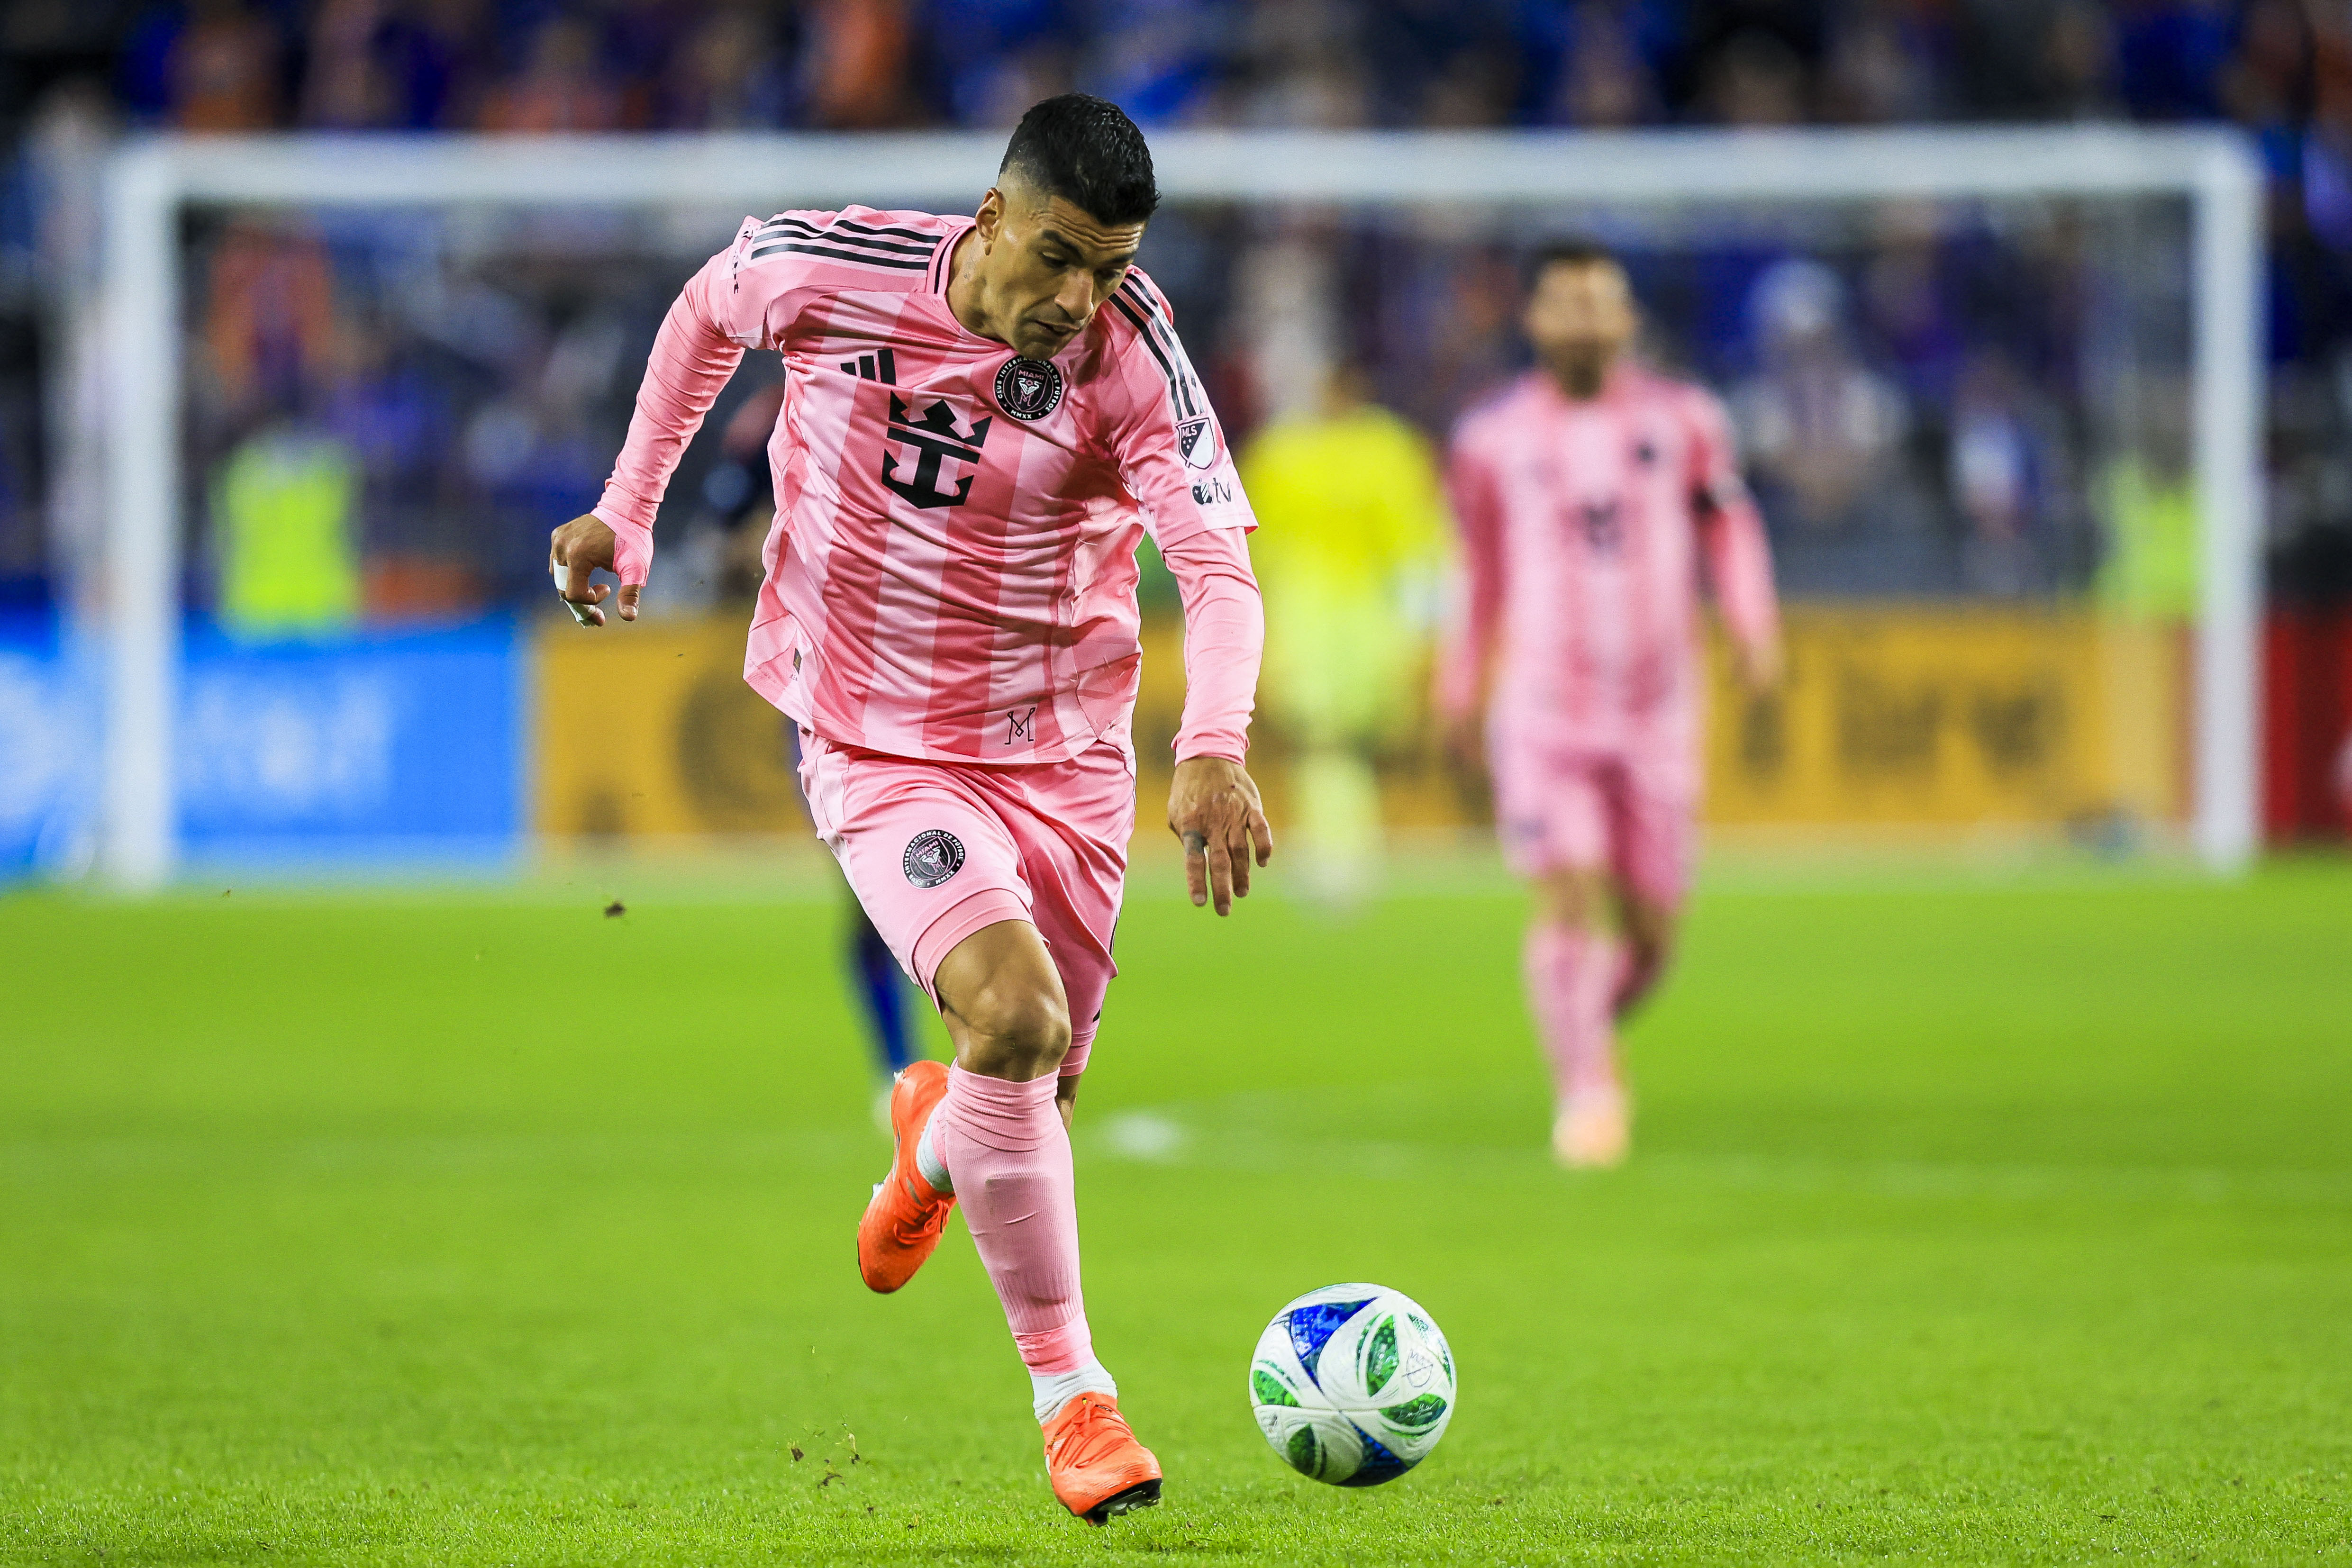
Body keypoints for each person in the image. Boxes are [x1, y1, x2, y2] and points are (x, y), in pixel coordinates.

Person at [547, 95, 1271, 1524]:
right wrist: (628, 507)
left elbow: (1219, 566)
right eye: (1059, 257)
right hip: (875, 736)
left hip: (1060, 753)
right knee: (1015, 1016)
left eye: (1109, 269)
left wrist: (1214, 741)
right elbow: (706, 311)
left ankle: (932, 1135)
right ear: (991, 215)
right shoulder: (831, 267)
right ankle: (1077, 1401)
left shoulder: (1134, 353)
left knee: (1032, 1097)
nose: (1078, 300)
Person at [1437, 240, 1780, 1169]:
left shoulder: (1686, 420)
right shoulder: (1489, 439)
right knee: (1569, 885)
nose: (1586, 320)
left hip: (1658, 709)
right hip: (1545, 707)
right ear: (1536, 320)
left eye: (1602, 304)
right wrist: (1459, 684)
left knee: (1652, 929)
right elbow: (1478, 573)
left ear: (1627, 320)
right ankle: (1586, 1088)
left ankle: (1584, 1020)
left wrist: (1751, 621)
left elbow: (1729, 522)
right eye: (1567, 304)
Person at [1240, 361, 1447, 906]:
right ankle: (1339, 852)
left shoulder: (1387, 448)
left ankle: (1347, 848)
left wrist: (1422, 617)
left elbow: (1416, 537)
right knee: (1318, 736)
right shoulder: (1282, 451)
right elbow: (1253, 540)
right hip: (1304, 609)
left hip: (1368, 611)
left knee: (1354, 740)